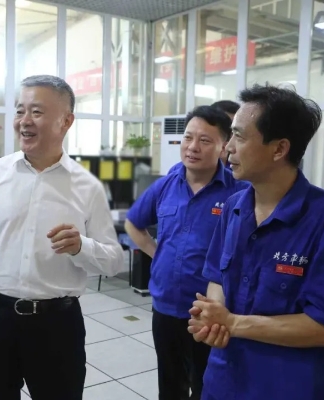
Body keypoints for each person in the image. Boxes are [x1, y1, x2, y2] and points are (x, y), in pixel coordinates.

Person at [0, 75, 124, 400]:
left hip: (58, 326)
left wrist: (81, 246)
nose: (24, 121)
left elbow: (113, 261)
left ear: (66, 121)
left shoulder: (87, 187)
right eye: (19, 110)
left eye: (36, 112)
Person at [189, 84, 324, 400]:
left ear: (279, 149)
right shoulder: (233, 207)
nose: (227, 148)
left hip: (290, 387)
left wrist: (233, 323)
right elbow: (217, 276)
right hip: (224, 381)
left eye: (239, 136)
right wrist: (214, 318)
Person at [124, 105, 248, 400]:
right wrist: (157, 253)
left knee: (207, 386)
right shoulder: (166, 185)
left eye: (204, 140)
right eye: (188, 137)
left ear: (223, 147)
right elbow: (133, 223)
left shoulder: (240, 191)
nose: (192, 147)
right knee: (170, 384)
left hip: (210, 311)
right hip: (165, 305)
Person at [167, 100, 240, 175]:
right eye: (188, 137)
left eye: (235, 130)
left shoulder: (240, 172)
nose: (193, 147)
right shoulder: (174, 173)